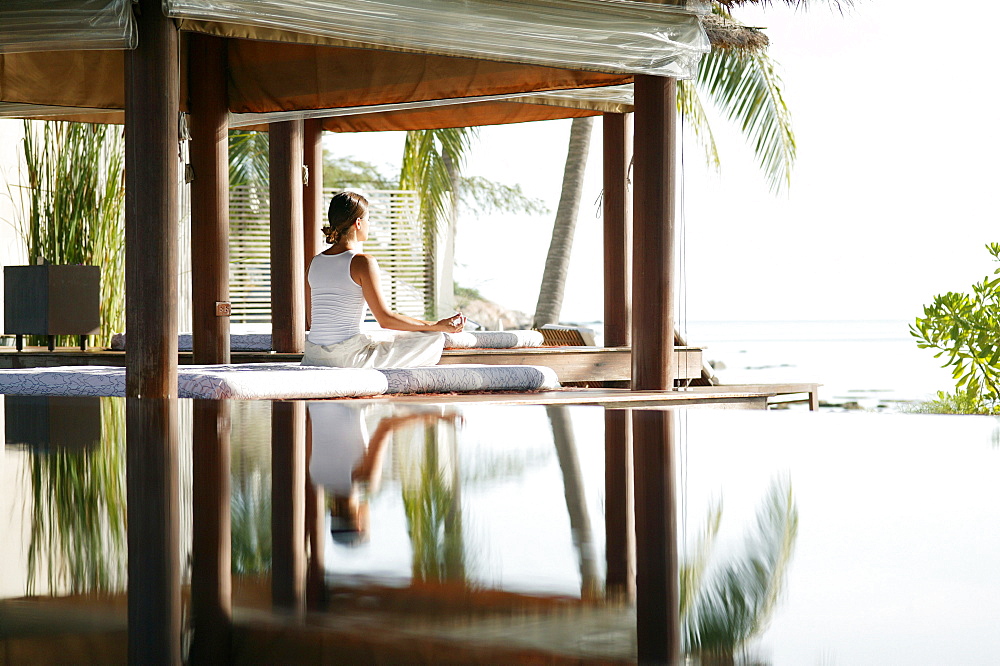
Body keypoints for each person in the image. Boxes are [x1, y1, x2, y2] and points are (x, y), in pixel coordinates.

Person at [302, 191, 465, 368]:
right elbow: (385, 320)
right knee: (433, 338)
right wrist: (437, 325)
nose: (369, 225)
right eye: (368, 220)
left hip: (313, 356)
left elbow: (312, 321)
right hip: (348, 360)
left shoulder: (314, 262)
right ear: (358, 223)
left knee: (379, 336)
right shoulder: (363, 262)